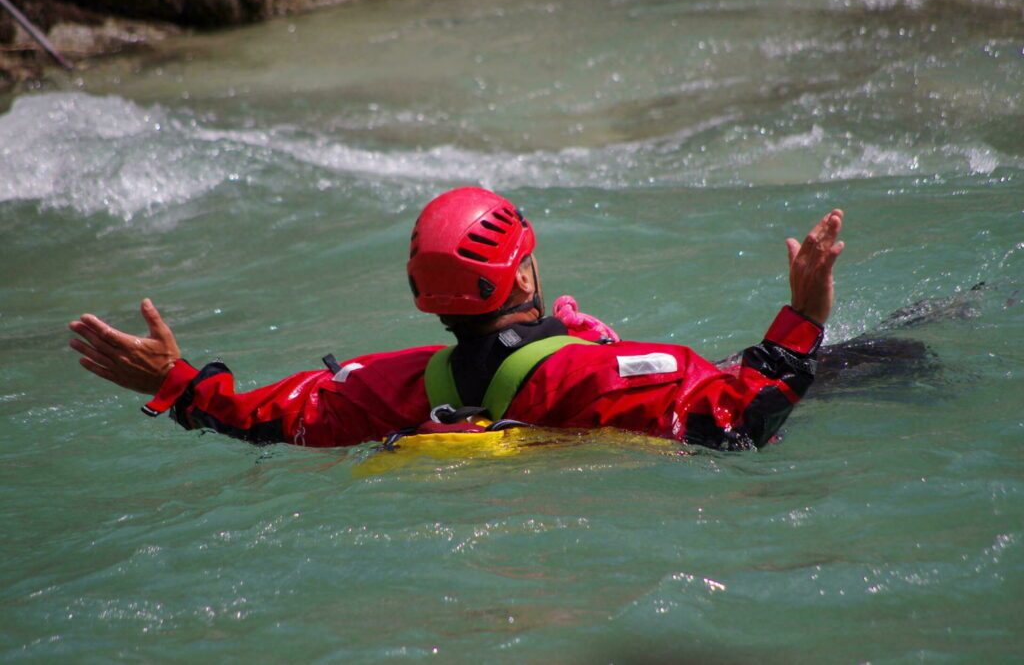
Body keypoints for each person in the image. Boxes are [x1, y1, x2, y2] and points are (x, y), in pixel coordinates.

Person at [68, 187, 844, 451]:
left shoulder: (379, 387)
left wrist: (173, 377)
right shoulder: (606, 373)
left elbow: (260, 419)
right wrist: (803, 319)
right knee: (884, 355)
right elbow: (748, 418)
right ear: (526, 270)